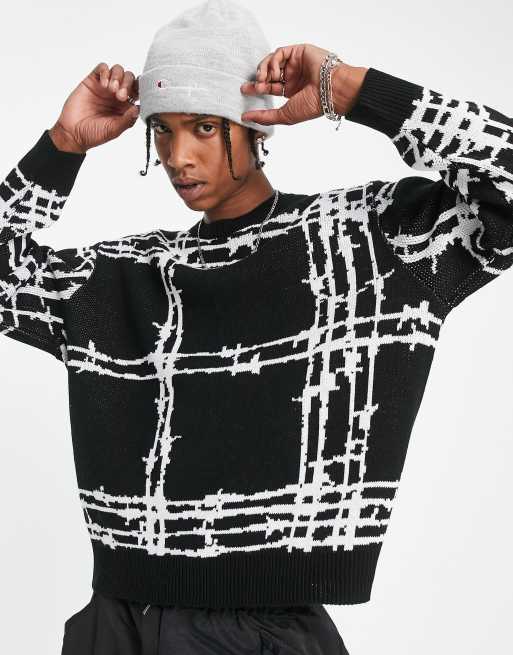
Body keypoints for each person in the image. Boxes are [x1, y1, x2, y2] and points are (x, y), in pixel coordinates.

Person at [1, 0, 512, 653]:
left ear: (252, 125)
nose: (178, 156)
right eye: (162, 131)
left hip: (263, 629)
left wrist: (354, 89)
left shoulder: (369, 245)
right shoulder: (125, 274)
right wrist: (61, 146)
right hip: (116, 622)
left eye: (203, 127)